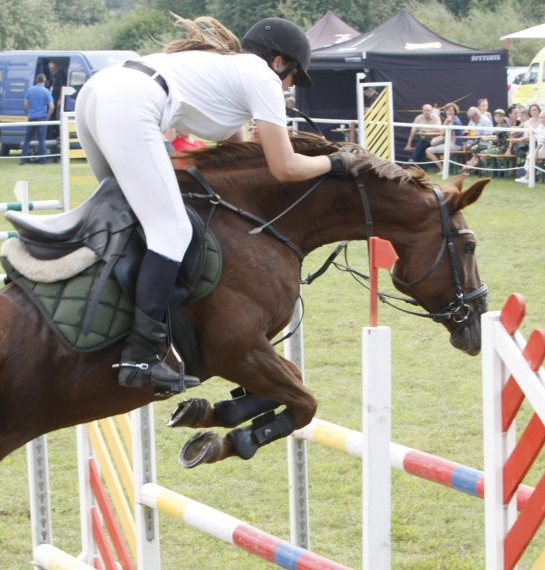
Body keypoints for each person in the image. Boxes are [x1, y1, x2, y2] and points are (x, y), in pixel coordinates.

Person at [74, 16, 359, 392]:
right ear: (279, 61)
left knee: (132, 218)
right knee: (170, 232)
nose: (290, 87)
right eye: (293, 77)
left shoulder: (230, 72)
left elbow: (238, 159)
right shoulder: (262, 77)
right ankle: (141, 355)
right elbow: (284, 167)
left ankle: (106, 318)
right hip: (129, 104)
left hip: (98, 92)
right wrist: (336, 162)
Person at [20, 73, 54, 164]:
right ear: (44, 81)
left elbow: (25, 104)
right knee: (41, 140)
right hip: (42, 118)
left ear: (36, 80)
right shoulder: (46, 91)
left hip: (32, 117)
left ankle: (23, 159)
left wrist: (29, 112)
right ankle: (42, 160)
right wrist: (47, 117)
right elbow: (51, 106)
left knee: (27, 139)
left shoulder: (30, 90)